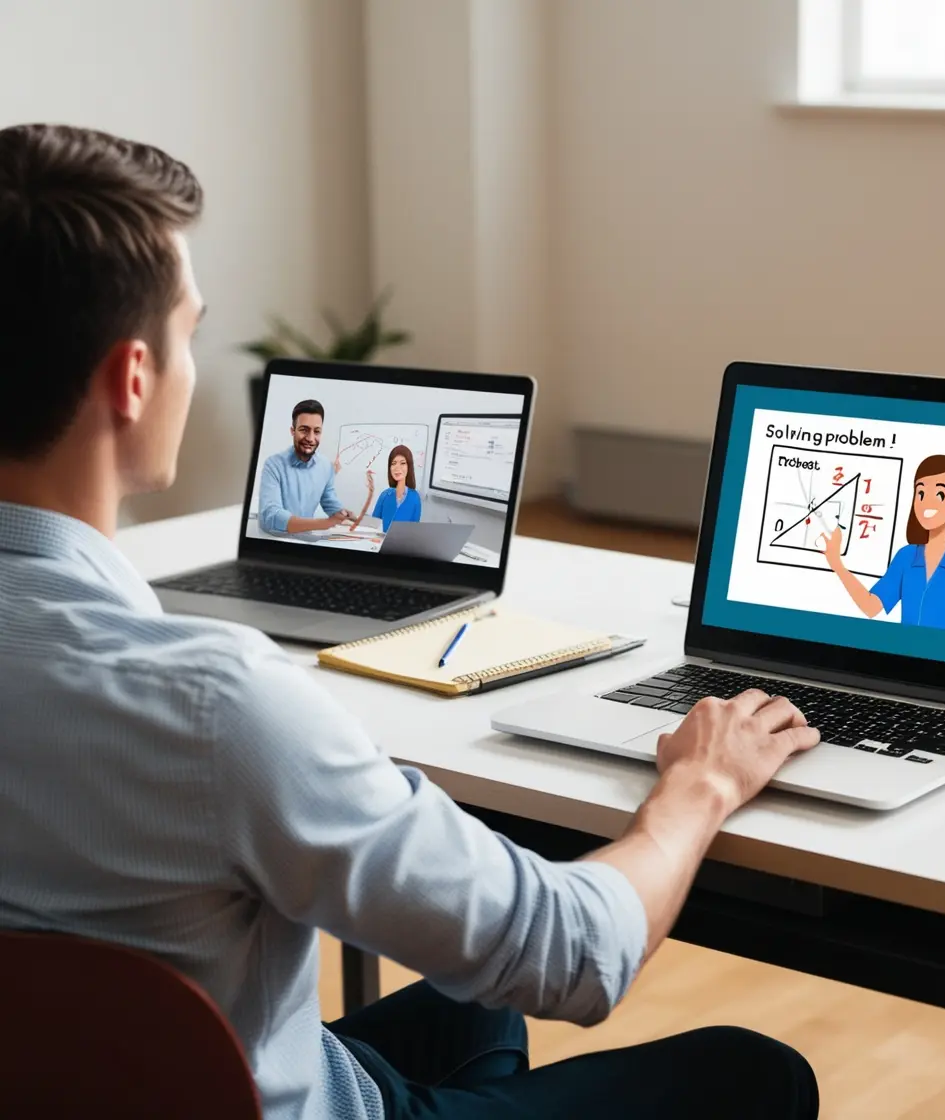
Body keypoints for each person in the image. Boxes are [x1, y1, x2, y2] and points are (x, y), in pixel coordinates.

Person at [0, 123, 820, 1120]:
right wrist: (697, 787)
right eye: (191, 332)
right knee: (750, 1070)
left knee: (472, 1014)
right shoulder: (215, 705)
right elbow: (575, 955)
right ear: (134, 380)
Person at [823, 454, 945, 633]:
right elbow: (871, 606)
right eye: (921, 493)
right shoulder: (906, 557)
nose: (926, 503)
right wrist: (837, 564)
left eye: (940, 494)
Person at [257, 399, 356, 533]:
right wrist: (324, 524)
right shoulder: (273, 465)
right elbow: (271, 516)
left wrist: (341, 512)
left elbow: (329, 500)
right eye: (304, 430)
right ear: (293, 431)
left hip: (305, 538)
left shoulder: (326, 466)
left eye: (317, 431)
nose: (310, 438)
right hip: (272, 540)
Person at [351, 444, 422, 532]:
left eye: (403, 463)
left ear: (409, 466)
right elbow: (373, 524)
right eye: (393, 463)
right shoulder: (385, 495)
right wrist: (352, 520)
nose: (397, 467)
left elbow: (414, 530)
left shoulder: (415, 498)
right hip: (380, 542)